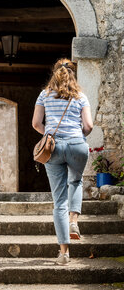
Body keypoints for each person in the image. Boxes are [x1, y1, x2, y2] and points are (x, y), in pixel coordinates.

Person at [32, 58, 93, 265]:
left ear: (54, 74)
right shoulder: (81, 96)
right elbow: (89, 125)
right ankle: (74, 221)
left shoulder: (45, 95)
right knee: (75, 182)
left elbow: (36, 123)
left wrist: (48, 135)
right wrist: (78, 136)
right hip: (77, 145)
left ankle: (64, 253)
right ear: (73, 75)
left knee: (59, 201)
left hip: (53, 147)